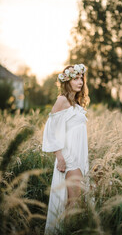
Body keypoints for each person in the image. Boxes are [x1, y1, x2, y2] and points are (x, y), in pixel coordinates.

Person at [42, 64, 90, 234]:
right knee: (74, 204)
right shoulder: (62, 100)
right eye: (75, 78)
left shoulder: (76, 103)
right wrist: (60, 157)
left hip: (79, 157)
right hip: (70, 159)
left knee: (74, 203)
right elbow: (51, 130)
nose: (80, 81)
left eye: (81, 78)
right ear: (67, 81)